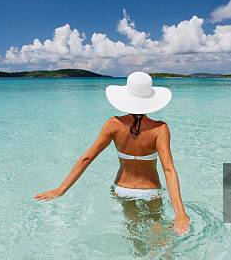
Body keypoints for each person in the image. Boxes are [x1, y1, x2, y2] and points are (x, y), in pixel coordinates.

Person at [34, 71, 190, 235]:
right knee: (157, 232)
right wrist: (180, 213)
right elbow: (168, 169)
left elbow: (87, 158)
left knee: (134, 233)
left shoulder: (113, 124)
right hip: (150, 191)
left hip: (122, 189)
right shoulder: (160, 129)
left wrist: (61, 189)